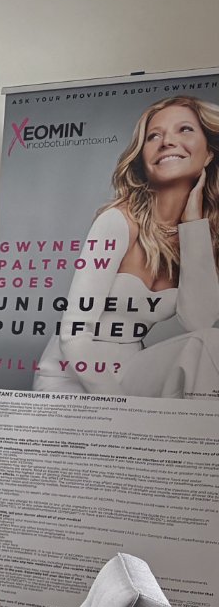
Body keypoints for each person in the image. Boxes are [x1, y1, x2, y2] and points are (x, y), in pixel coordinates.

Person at [33, 95, 219, 396]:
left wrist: (194, 224)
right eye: (153, 136)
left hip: (132, 371)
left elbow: (199, 323)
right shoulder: (117, 221)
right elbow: (73, 335)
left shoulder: (202, 238)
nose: (167, 141)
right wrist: (120, 408)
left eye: (184, 129)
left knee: (210, 344)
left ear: (209, 153)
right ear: (143, 158)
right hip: (71, 376)